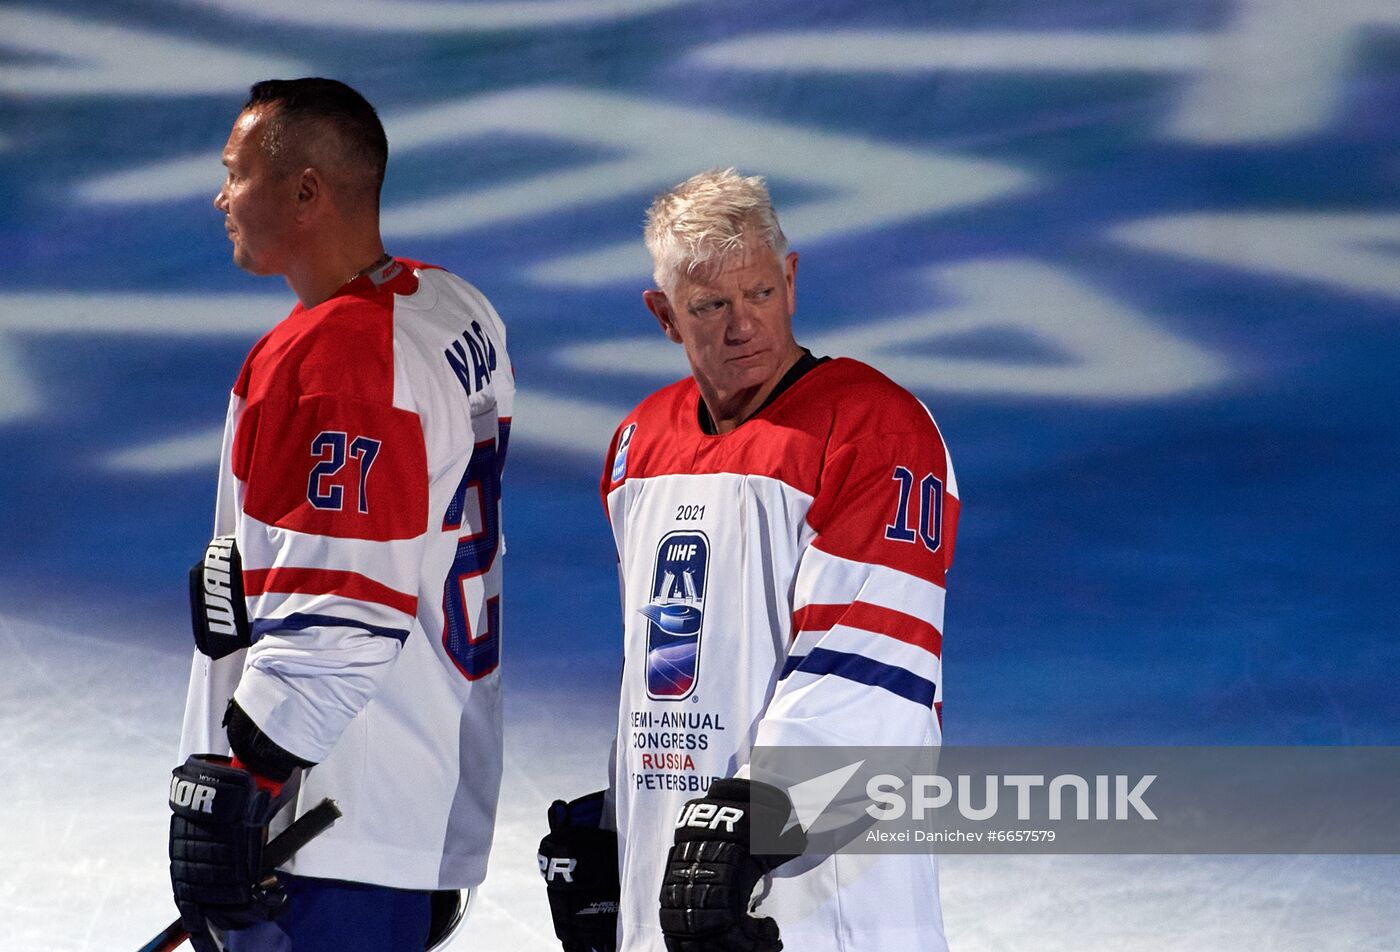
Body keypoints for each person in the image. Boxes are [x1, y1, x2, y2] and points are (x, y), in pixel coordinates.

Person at [538, 168, 959, 952]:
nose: (743, 327)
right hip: (678, 880)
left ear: (791, 279)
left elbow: (871, 673)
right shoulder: (638, 444)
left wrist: (755, 816)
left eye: (760, 294)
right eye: (710, 306)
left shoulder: (876, 429)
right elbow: (667, 661)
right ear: (663, 314)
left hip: (818, 889)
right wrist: (621, 820)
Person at [169, 78, 513, 952]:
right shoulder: (450, 307)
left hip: (327, 829)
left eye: (235, 173)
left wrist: (245, 783)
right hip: (420, 789)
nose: (221, 197)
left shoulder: (336, 360)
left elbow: (341, 617)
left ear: (306, 193)